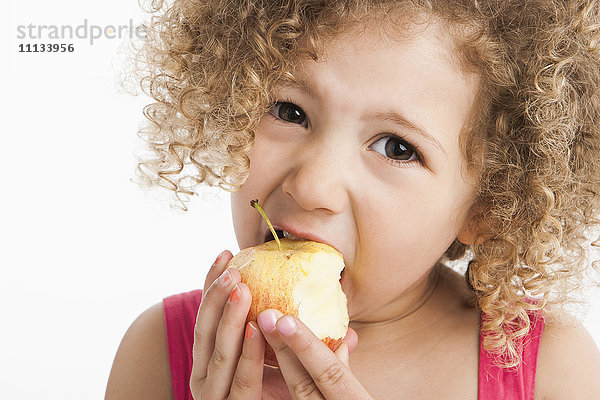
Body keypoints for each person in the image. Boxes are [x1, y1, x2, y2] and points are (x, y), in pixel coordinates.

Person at [105, 0, 600, 398]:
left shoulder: (550, 370)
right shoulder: (159, 353)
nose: (312, 185)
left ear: (486, 207)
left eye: (396, 148)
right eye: (289, 110)